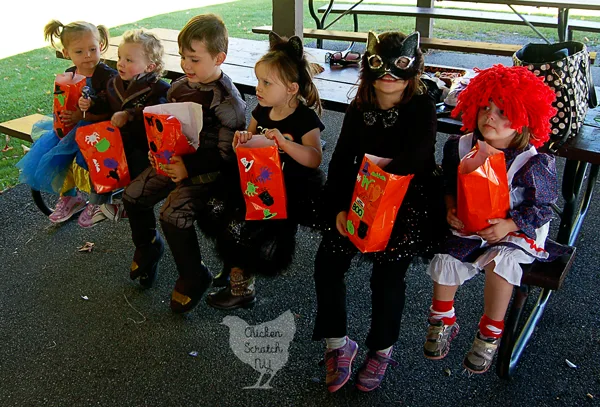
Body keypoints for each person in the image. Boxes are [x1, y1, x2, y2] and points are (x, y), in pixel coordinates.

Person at [312, 31, 447, 393]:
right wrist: (340, 207)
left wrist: (380, 194)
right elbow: (342, 157)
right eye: (380, 65)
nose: (389, 74)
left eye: (399, 65)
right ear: (367, 67)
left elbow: (418, 156)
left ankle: (382, 348)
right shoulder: (361, 105)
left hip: (406, 201)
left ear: (413, 67)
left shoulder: (421, 105)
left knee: (388, 279)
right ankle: (337, 343)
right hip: (360, 195)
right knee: (328, 261)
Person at [422, 64, 559, 374]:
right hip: (473, 223)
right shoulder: (459, 146)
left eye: (503, 111)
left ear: (525, 117)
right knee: (447, 256)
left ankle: (489, 332)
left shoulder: (532, 162)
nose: (490, 116)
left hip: (516, 227)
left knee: (503, 264)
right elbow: (447, 183)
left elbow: (543, 207)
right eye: (485, 107)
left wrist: (510, 225)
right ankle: (442, 318)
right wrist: (449, 208)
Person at [121, 14, 246, 313]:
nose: (186, 65)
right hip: (175, 161)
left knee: (173, 215)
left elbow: (227, 155)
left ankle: (194, 275)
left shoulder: (229, 103)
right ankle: (148, 245)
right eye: (182, 56)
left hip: (210, 174)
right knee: (133, 195)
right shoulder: (178, 88)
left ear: (219, 58)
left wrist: (188, 169)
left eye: (194, 58)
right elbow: (164, 128)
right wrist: (156, 151)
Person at [205, 32, 325, 310]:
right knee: (218, 208)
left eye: (267, 82)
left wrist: (284, 143)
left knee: (244, 226)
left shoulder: (305, 118)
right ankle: (235, 265)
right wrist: (241, 144)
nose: (258, 87)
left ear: (292, 88)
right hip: (255, 180)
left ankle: (241, 284)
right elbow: (249, 141)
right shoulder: (263, 109)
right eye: (258, 80)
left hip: (290, 188)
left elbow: (314, 158)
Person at [16, 19, 116, 224]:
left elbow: (113, 110)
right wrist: (62, 117)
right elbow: (62, 102)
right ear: (66, 53)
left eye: (92, 49)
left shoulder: (107, 76)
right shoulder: (69, 75)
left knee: (81, 154)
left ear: (101, 46)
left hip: (99, 129)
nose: (88, 55)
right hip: (72, 129)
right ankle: (70, 197)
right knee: (56, 151)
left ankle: (100, 201)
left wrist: (83, 116)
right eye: (79, 52)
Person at [78, 29, 170, 227]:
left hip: (142, 145)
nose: (120, 63)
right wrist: (92, 103)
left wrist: (129, 115)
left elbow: (156, 113)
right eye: (120, 57)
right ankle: (99, 201)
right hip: (116, 142)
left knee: (135, 170)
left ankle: (127, 205)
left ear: (150, 66)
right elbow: (105, 103)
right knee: (97, 159)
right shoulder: (114, 83)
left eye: (129, 60)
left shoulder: (158, 88)